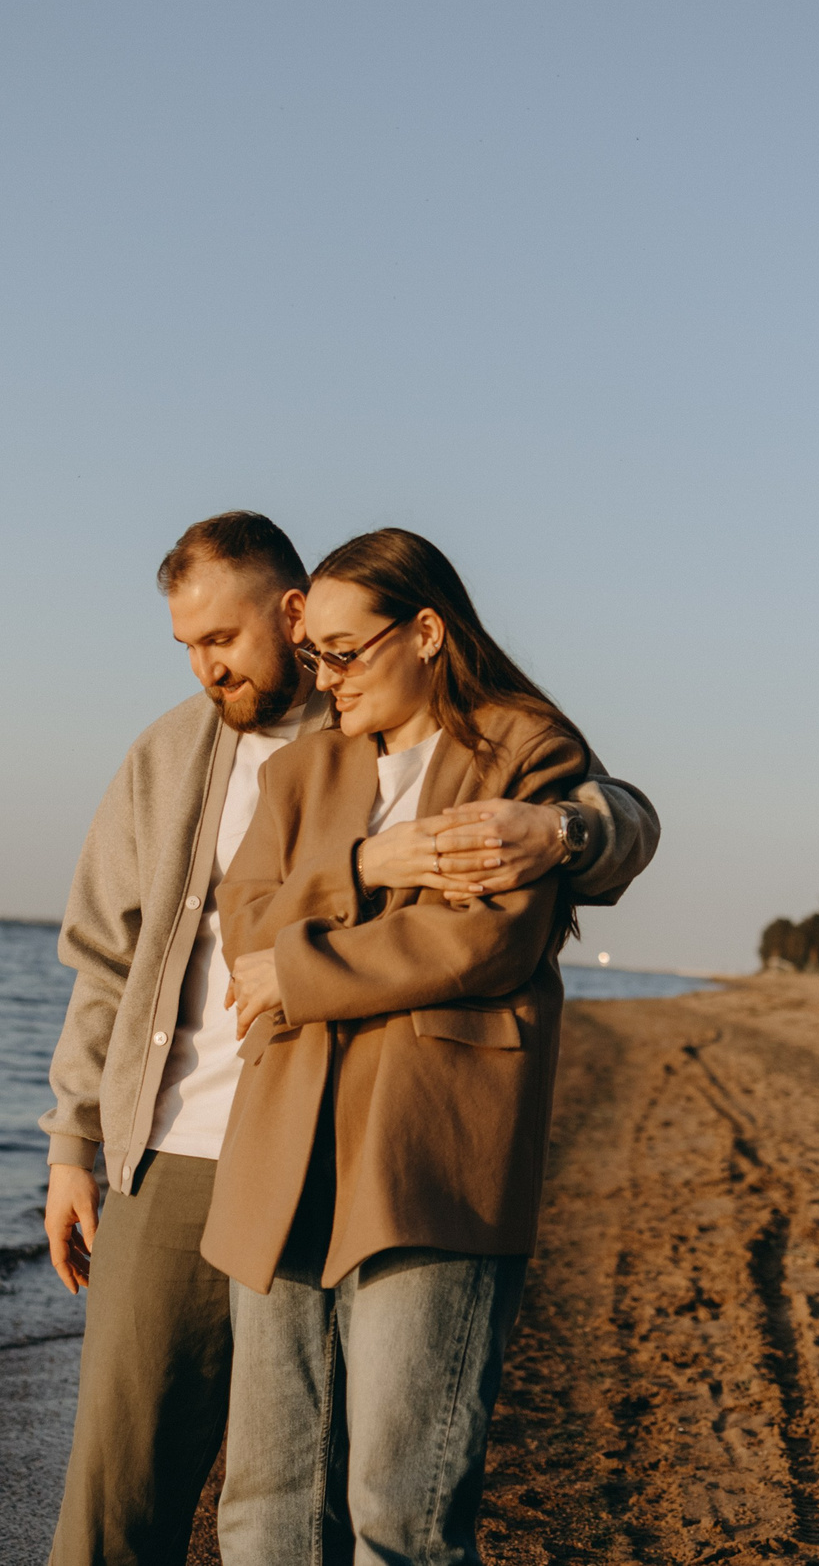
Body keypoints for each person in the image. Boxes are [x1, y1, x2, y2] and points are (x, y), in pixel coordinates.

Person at [42, 513, 659, 1566]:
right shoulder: (221, 760)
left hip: (399, 1148)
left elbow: (560, 873)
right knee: (191, 1501)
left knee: (382, 1508)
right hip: (223, 1153)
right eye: (186, 647)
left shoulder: (489, 739)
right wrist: (73, 1142)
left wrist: (559, 831)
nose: (207, 669)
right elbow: (156, 943)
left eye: (223, 641)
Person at [202, 527, 597, 1566]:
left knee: (402, 1518)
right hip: (279, 1160)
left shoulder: (525, 750)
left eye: (342, 651)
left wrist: (298, 971)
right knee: (261, 1508)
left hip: (431, 1160)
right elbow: (242, 926)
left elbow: (481, 941)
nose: (318, 675)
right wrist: (370, 862)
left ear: (424, 632)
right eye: (312, 653)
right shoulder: (299, 773)